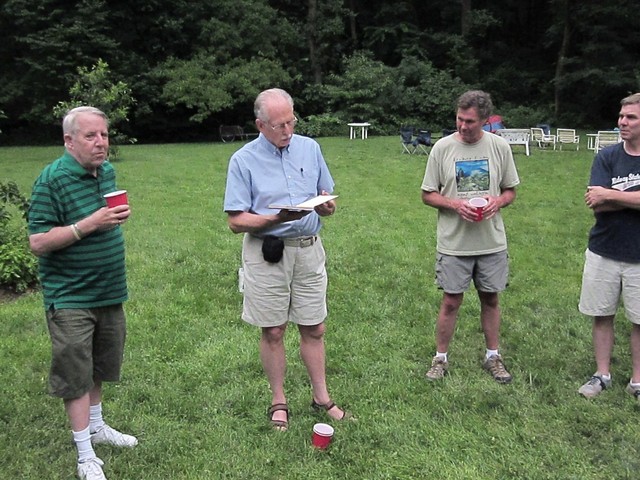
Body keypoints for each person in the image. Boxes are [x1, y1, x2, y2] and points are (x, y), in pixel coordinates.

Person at [223, 88, 349, 431]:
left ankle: (321, 397)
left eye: (291, 122)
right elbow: (235, 221)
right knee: (274, 330)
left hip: (309, 249)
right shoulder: (243, 160)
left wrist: (327, 205)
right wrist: (272, 220)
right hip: (268, 253)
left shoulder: (310, 148)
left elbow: (328, 199)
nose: (287, 130)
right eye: (279, 125)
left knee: (315, 326)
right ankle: (279, 401)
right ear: (260, 125)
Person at [28, 106, 137, 480]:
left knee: (99, 364)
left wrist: (114, 217)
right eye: (90, 136)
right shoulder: (51, 180)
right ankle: (85, 453)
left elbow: (106, 216)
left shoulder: (106, 172)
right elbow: (38, 241)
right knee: (76, 372)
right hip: (71, 294)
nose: (101, 142)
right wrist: (89, 224)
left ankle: (97, 425)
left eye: (104, 134)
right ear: (68, 141)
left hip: (108, 290)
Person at [420, 90, 520, 383]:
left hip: (491, 241)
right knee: (451, 301)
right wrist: (455, 204)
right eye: (460, 119)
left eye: (471, 122)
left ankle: (493, 356)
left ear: (485, 121)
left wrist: (497, 202)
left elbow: (511, 190)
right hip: (454, 242)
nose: (463, 126)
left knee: (491, 298)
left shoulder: (499, 148)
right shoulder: (442, 148)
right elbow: (427, 195)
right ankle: (440, 358)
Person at [578, 93, 640, 400]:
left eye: (631, 117)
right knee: (601, 314)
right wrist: (630, 199)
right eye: (621, 116)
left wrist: (611, 194)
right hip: (604, 249)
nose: (623, 122)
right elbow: (596, 204)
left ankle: (638, 382)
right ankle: (601, 374)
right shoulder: (607, 156)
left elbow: (605, 198)